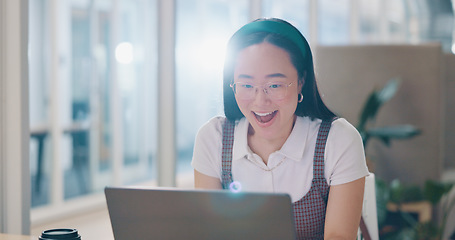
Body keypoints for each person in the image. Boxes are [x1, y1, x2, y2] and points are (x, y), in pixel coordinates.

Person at [192, 18, 369, 239]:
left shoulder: (337, 140)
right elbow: (209, 232)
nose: (260, 101)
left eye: (274, 85)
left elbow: (339, 236)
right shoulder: (214, 139)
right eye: (246, 85)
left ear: (301, 81)